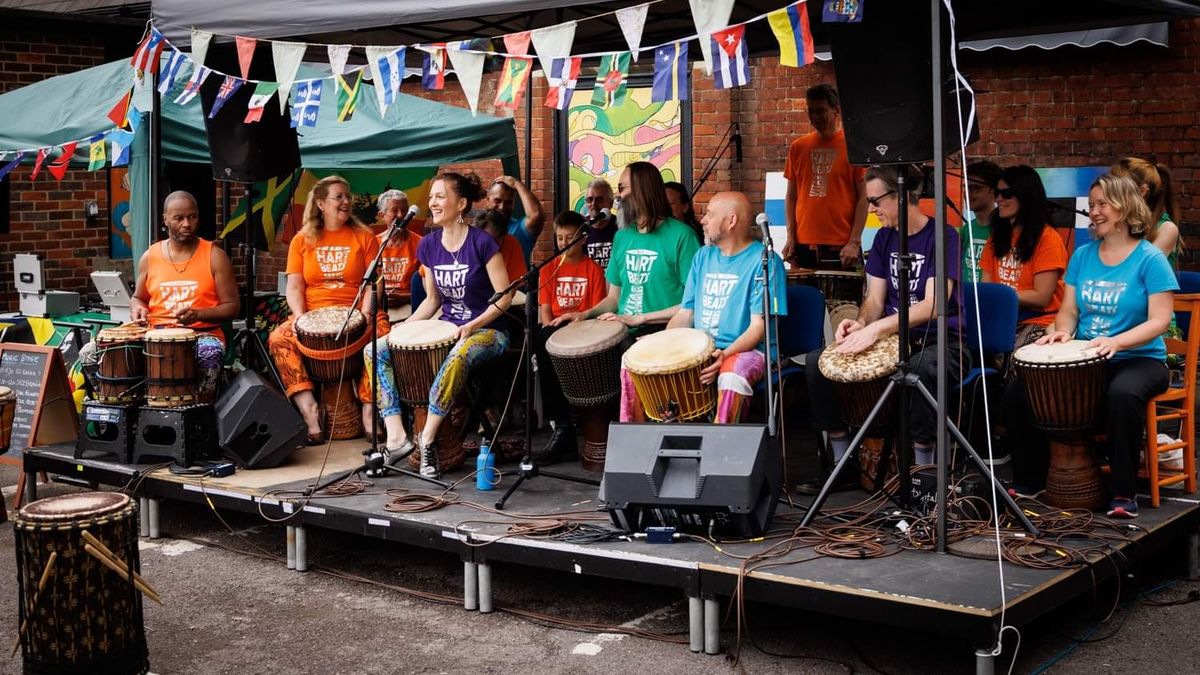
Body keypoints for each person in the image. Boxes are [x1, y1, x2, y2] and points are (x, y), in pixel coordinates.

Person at [1005, 174, 1177, 518]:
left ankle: (1123, 494)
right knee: (1017, 391)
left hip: (1140, 359)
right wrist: (1063, 333)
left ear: (1125, 208)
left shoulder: (1148, 259)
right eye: (1091, 204)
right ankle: (1029, 479)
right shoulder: (1083, 256)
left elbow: (1159, 320)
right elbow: (1068, 311)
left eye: (1102, 204)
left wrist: (1116, 341)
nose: (1093, 212)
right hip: (1089, 356)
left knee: (1122, 396)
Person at [805, 165, 966, 481]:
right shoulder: (882, 238)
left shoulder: (944, 236)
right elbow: (875, 300)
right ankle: (842, 463)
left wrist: (876, 329)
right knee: (817, 363)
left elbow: (934, 305)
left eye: (876, 201)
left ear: (903, 194)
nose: (872, 209)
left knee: (922, 370)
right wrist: (861, 323)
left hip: (939, 340)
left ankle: (924, 472)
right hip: (891, 337)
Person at [371, 172, 513, 477]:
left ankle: (426, 438)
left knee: (459, 353)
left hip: (488, 332)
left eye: (440, 196)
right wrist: (406, 326)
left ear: (461, 203)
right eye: (431, 196)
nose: (432, 203)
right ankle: (396, 436)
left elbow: (505, 296)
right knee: (377, 350)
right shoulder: (430, 245)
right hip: (447, 327)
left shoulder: (483, 243)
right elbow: (433, 300)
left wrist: (475, 324)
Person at [619, 191, 787, 424]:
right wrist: (660, 346)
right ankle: (634, 442)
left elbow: (758, 327)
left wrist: (724, 354)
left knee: (732, 375)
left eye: (709, 214)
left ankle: (721, 450)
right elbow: (686, 313)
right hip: (700, 349)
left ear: (731, 221)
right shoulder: (703, 256)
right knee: (633, 362)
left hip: (746, 351)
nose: (702, 221)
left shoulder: (765, 261)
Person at [81, 191, 239, 403]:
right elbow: (138, 297)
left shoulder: (215, 256)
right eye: (179, 218)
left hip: (201, 334)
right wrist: (138, 307)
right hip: (154, 334)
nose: (187, 224)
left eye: (192, 217)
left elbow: (233, 307)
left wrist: (198, 314)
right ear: (165, 219)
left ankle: (201, 410)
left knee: (209, 354)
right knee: (89, 353)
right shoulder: (150, 256)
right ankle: (115, 404)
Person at [268, 176, 382, 443]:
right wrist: (299, 317)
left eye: (347, 196)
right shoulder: (301, 240)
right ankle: (310, 411)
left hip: (356, 310)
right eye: (338, 196)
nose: (346, 201)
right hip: (312, 314)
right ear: (320, 203)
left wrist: (365, 315)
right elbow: (294, 285)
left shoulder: (365, 236)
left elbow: (373, 284)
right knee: (279, 339)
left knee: (382, 337)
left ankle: (369, 409)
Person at [580, 162, 701, 333]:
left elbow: (693, 301)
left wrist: (642, 318)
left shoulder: (682, 236)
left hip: (664, 331)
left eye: (622, 188)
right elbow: (614, 298)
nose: (619, 196)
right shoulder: (622, 237)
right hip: (623, 328)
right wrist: (585, 314)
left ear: (642, 190)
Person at [533, 211, 609, 461]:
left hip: (582, 328)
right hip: (555, 329)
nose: (564, 243)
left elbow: (595, 311)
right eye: (560, 238)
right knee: (540, 340)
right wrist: (550, 332)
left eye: (570, 237)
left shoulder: (593, 269)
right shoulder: (549, 268)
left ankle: (576, 423)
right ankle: (561, 423)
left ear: (584, 238)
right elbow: (545, 309)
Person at [782, 84, 868, 270]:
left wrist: (854, 241)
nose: (814, 117)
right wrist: (791, 237)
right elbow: (791, 196)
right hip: (803, 244)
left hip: (841, 244)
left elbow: (864, 197)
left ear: (836, 111)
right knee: (804, 299)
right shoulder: (798, 147)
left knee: (843, 300)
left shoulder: (854, 147)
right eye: (810, 111)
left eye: (820, 111)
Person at [979, 165, 1067, 343]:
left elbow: (1041, 297)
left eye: (1006, 194)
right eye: (997, 193)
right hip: (1003, 317)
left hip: (1039, 320)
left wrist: (999, 295)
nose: (998, 199)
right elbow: (985, 288)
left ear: (1025, 196)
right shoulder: (996, 236)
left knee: (1015, 360)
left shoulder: (1048, 238)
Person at [1110, 157, 1181, 267]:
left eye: (1117, 189)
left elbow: (1136, 271)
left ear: (1142, 191)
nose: (1110, 195)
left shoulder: (1166, 229)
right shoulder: (1121, 222)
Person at [375, 189, 422, 320]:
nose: (401, 215)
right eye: (394, 210)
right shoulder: (373, 244)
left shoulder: (420, 243)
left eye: (404, 210)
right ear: (381, 215)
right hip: (379, 306)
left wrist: (405, 297)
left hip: (411, 305)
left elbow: (428, 288)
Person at [487, 175, 545, 265]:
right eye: (497, 201)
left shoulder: (520, 229)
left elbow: (536, 214)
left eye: (508, 202)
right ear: (488, 200)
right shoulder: (478, 230)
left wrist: (516, 184)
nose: (502, 207)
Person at [961, 160, 1001, 283]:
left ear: (992, 191)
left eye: (975, 188)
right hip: (968, 298)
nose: (968, 193)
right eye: (965, 187)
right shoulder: (967, 229)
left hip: (991, 297)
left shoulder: (1003, 229)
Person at [473, 208, 529, 290]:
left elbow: (515, 284)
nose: (490, 245)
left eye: (494, 240)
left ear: (504, 236)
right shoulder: (468, 243)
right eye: (486, 239)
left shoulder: (510, 242)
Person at [581, 178, 619, 270]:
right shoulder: (581, 228)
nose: (593, 204)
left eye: (599, 200)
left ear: (610, 203)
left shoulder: (620, 227)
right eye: (590, 199)